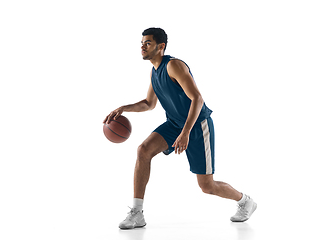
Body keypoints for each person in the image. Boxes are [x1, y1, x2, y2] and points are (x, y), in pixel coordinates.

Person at [103, 27, 257, 230]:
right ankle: (137, 213)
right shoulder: (154, 71)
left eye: (147, 43)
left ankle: (245, 201)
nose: (142, 46)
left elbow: (197, 99)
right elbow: (149, 103)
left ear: (161, 47)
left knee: (207, 186)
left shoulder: (174, 66)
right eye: (141, 43)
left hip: (197, 125)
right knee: (143, 150)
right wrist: (124, 108)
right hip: (175, 123)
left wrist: (185, 133)